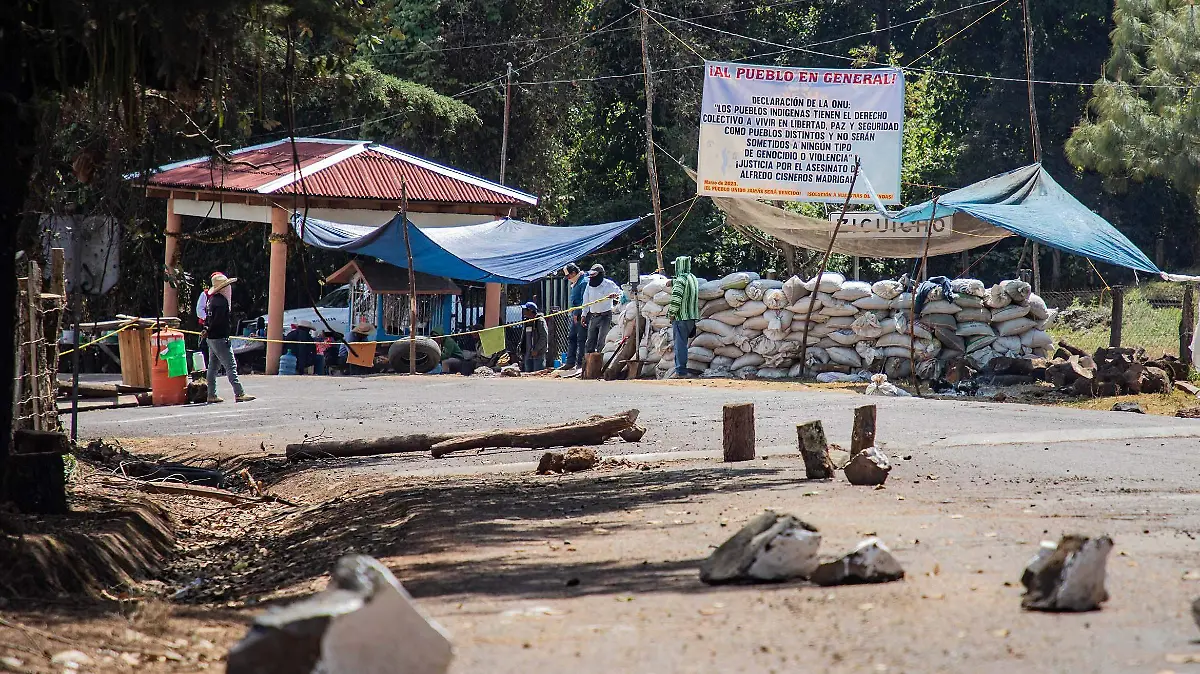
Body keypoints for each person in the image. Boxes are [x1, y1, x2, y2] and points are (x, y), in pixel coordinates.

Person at [204, 272, 254, 403]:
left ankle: (211, 394)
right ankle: (239, 392)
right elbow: (219, 321)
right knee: (231, 366)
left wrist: (206, 329)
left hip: (211, 338)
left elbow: (209, 319)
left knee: (213, 367)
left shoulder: (212, 300)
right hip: (220, 337)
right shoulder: (222, 302)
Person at [667, 255, 700, 378]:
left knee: (680, 345)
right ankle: (682, 369)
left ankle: (680, 372)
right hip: (691, 318)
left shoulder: (680, 281)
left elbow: (676, 300)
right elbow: (681, 282)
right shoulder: (693, 279)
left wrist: (671, 314)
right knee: (684, 344)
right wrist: (672, 281)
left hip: (681, 318)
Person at [582, 264, 620, 355]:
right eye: (590, 275)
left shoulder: (609, 284)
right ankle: (587, 365)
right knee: (590, 341)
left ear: (600, 274)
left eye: (593, 275)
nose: (591, 277)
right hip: (593, 316)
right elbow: (586, 300)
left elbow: (620, 294)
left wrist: (615, 296)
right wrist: (584, 314)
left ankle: (600, 364)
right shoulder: (589, 285)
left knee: (602, 341)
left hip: (605, 316)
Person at [561, 263, 588, 370]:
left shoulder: (584, 282)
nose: (568, 278)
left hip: (582, 315)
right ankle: (570, 361)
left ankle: (580, 363)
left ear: (573, 273)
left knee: (581, 339)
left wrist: (577, 313)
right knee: (572, 337)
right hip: (575, 315)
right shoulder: (577, 282)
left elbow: (583, 300)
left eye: (568, 276)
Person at [521, 301, 548, 372]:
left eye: (525, 309)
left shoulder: (539, 321)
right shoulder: (527, 321)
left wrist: (536, 349)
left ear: (530, 311)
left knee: (537, 374)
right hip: (527, 354)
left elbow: (543, 337)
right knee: (527, 375)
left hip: (538, 355)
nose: (524, 311)